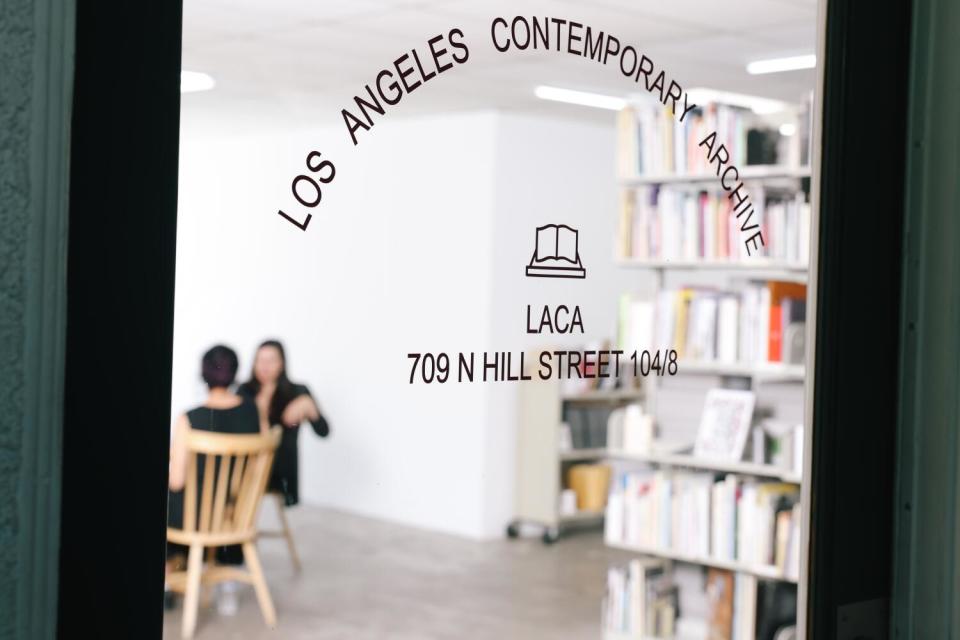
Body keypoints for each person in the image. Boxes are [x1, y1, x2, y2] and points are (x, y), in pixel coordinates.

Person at [166, 344, 260, 614]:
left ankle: (166, 578)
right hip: (233, 511)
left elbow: (177, 482)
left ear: (203, 374)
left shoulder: (190, 418)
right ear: (235, 373)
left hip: (197, 518)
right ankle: (224, 575)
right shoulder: (252, 411)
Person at [236, 339, 329, 507]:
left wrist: (309, 405)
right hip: (247, 471)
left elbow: (324, 431)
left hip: (281, 473)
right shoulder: (244, 391)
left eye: (271, 360)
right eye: (260, 360)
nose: (265, 366)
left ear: (282, 363)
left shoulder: (297, 391)